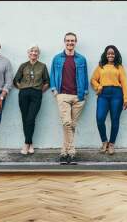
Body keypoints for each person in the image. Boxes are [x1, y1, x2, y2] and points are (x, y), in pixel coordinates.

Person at [50, 32, 89, 165]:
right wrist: (55, 90)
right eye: (68, 41)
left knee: (71, 125)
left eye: (72, 41)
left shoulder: (81, 59)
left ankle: (63, 152)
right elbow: (52, 74)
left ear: (76, 42)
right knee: (67, 123)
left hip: (78, 96)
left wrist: (85, 92)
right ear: (64, 42)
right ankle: (72, 152)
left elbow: (85, 75)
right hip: (63, 95)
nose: (70, 43)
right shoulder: (57, 58)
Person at [90, 45, 127, 155]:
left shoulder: (119, 67)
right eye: (108, 53)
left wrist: (126, 98)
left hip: (117, 94)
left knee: (115, 120)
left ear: (115, 54)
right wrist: (98, 87)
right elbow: (93, 79)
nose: (110, 55)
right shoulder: (101, 66)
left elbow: (124, 83)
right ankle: (104, 142)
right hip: (103, 94)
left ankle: (111, 144)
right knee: (100, 118)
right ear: (105, 55)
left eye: (112, 53)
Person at [13, 45, 50, 155]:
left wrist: (39, 91)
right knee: (25, 118)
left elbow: (47, 81)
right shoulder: (23, 66)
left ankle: (26, 144)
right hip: (23, 93)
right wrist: (23, 88)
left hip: (36, 94)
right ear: (28, 53)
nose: (34, 53)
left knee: (30, 118)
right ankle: (30, 143)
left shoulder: (42, 66)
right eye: (32, 51)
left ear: (38, 54)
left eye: (36, 52)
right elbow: (16, 80)